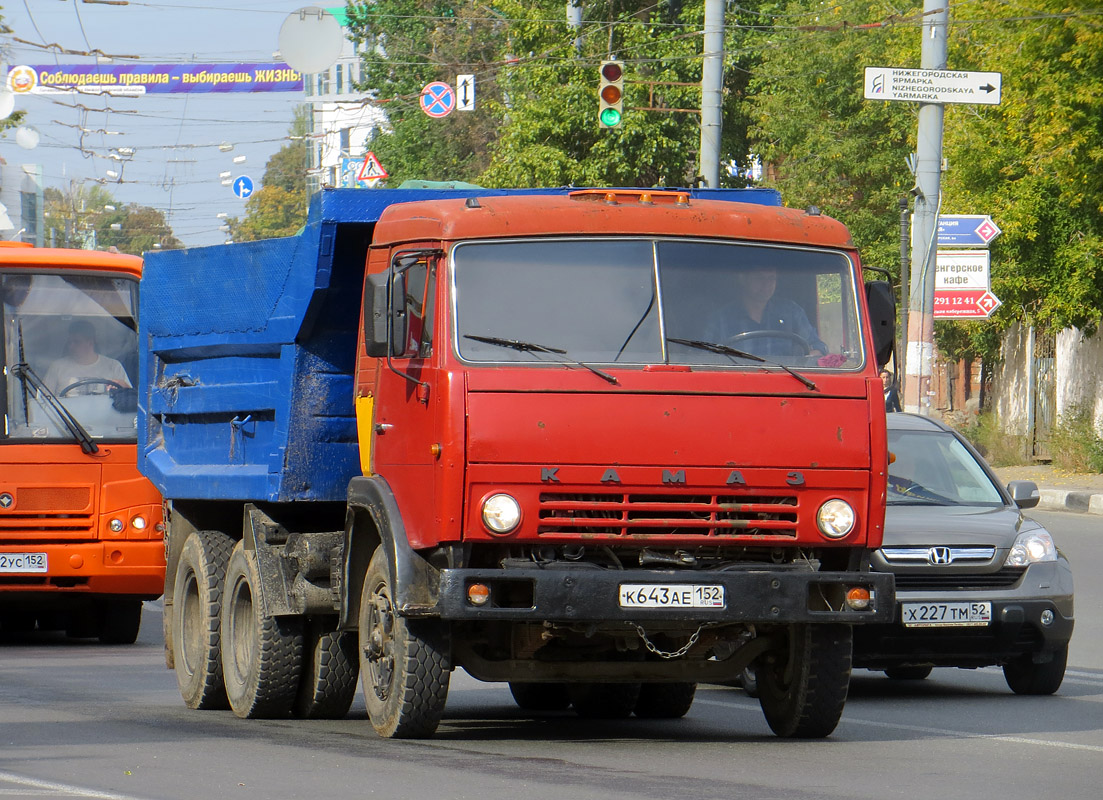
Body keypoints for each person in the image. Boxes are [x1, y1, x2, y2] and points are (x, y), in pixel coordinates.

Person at [704, 265, 827, 357]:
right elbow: (704, 357)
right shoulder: (721, 319)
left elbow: (818, 347)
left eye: (771, 278)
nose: (766, 284)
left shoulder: (791, 312)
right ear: (743, 279)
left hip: (788, 383)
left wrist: (807, 359)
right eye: (759, 278)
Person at [44, 320, 131, 396]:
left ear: (90, 343)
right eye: (69, 342)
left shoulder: (113, 366)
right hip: (65, 414)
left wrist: (124, 386)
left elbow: (130, 399)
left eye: (76, 342)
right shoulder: (57, 367)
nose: (71, 346)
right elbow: (43, 400)